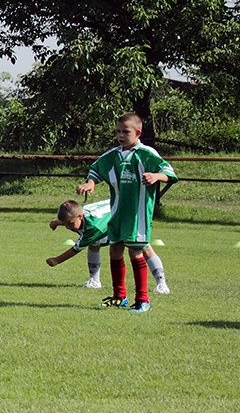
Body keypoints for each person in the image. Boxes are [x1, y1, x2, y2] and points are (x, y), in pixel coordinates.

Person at [76, 112, 177, 313]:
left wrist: (157, 176)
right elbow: (96, 170)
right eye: (118, 132)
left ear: (137, 133)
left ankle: (143, 300)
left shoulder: (146, 154)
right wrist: (90, 183)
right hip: (117, 213)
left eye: (126, 132)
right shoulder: (113, 155)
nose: (121, 136)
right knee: (115, 251)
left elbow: (169, 172)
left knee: (135, 252)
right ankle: (119, 296)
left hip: (138, 214)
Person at [45, 198, 170, 294]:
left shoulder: (93, 226)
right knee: (95, 244)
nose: (68, 227)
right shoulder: (79, 216)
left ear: (80, 216)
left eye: (70, 224)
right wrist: (57, 222)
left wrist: (57, 260)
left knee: (143, 247)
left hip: (129, 215)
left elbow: (75, 249)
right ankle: (94, 281)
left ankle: (162, 284)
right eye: (65, 224)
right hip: (113, 216)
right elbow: (71, 218)